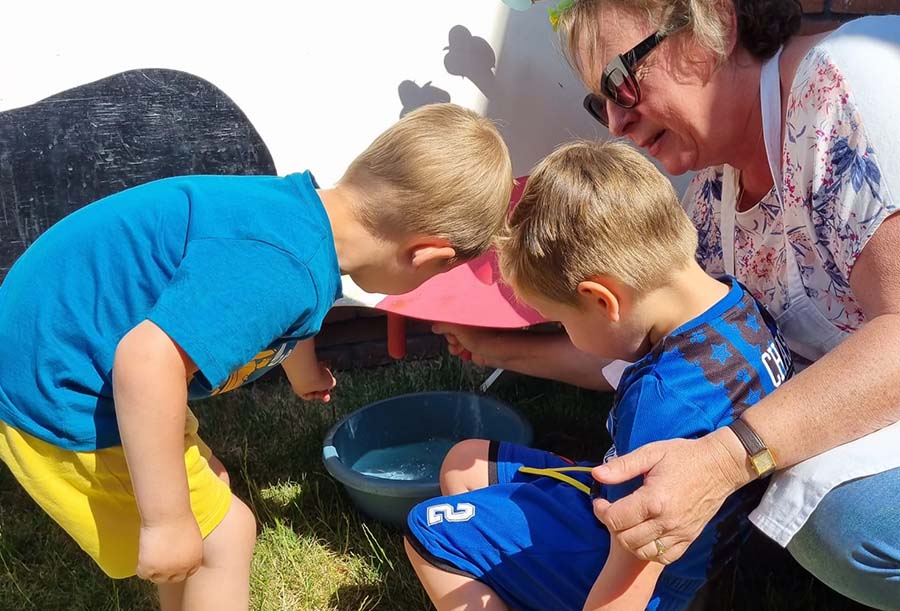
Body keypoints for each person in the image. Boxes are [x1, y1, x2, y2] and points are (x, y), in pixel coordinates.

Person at [435, 2, 900, 608]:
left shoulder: (841, 81)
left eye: (620, 82)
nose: (614, 122)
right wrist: (498, 349)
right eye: (597, 104)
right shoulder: (711, 194)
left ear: (715, 24)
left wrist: (726, 458)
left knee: (846, 524)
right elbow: (653, 348)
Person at [0, 103, 512, 611]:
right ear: (427, 255)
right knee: (224, 536)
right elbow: (146, 361)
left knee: (210, 502)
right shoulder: (283, 269)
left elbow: (282, 308)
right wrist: (166, 522)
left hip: (58, 339)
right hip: (62, 385)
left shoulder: (300, 216)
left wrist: (302, 370)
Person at [406, 140, 794, 611]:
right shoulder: (742, 308)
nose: (567, 333)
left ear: (602, 301)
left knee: (429, 531)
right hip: (701, 547)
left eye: (562, 321)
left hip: (657, 581)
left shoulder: (660, 403)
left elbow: (631, 576)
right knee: (463, 462)